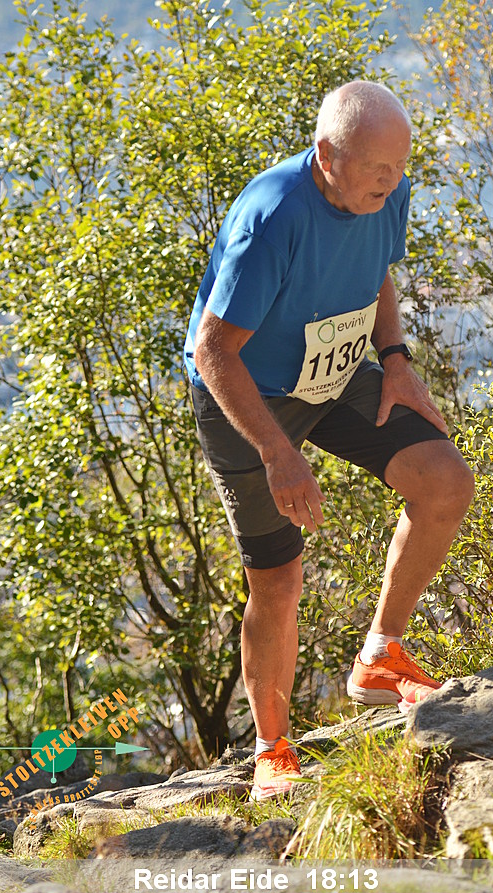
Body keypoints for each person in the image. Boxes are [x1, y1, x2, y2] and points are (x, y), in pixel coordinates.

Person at [183, 80, 474, 801]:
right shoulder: (274, 215)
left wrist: (396, 359)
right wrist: (278, 453)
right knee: (279, 578)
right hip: (247, 393)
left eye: (399, 168)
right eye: (377, 169)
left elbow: (375, 272)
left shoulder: (384, 188)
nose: (392, 182)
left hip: (334, 371)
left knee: (444, 480)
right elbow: (213, 351)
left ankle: (380, 656)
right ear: (326, 156)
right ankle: (272, 752)